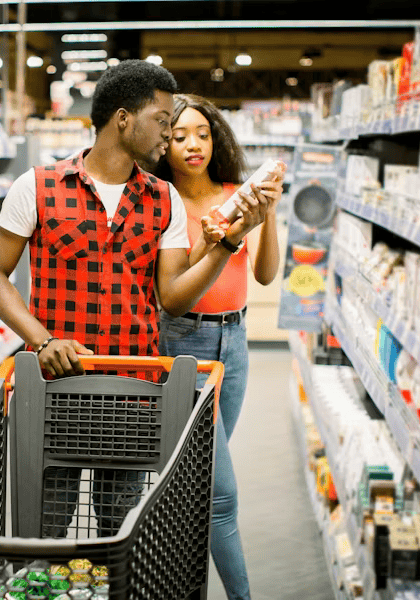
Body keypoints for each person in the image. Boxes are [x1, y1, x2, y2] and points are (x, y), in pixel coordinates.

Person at [0, 61, 275, 539]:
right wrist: (42, 339)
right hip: (55, 391)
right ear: (123, 119)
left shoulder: (163, 199)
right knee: (47, 528)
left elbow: (172, 299)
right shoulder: (36, 186)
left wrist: (227, 243)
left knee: (121, 533)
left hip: (134, 394)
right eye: (162, 120)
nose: (169, 133)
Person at [153, 93, 284, 600]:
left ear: (217, 140)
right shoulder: (161, 201)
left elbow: (266, 275)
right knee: (220, 493)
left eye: (203, 134)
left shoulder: (235, 194)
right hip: (184, 343)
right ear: (163, 144)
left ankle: (180, 582)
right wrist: (214, 239)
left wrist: (266, 214)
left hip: (236, 341)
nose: (193, 145)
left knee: (200, 477)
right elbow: (176, 288)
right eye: (180, 136)